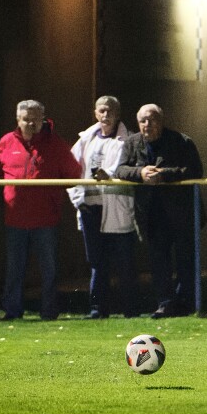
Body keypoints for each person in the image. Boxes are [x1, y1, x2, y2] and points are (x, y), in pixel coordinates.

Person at [0, 100, 82, 321]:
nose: (31, 123)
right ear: (17, 120)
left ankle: (49, 312)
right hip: (15, 219)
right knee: (14, 269)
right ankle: (12, 311)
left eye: (35, 119)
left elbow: (73, 174)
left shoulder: (56, 144)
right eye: (26, 119)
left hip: (45, 219)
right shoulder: (6, 142)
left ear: (43, 119)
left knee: (48, 269)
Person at [116, 104, 204, 319]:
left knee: (185, 259)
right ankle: (165, 303)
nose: (148, 125)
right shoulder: (132, 143)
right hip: (151, 214)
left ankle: (186, 303)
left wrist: (164, 174)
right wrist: (141, 173)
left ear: (161, 121)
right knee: (159, 261)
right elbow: (120, 169)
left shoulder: (181, 141)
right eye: (143, 121)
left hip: (181, 212)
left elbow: (195, 170)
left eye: (152, 120)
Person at [67, 95, 138, 319]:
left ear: (118, 114)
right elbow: (70, 171)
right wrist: (79, 200)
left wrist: (111, 176)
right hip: (90, 208)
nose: (105, 115)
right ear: (95, 113)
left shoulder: (128, 140)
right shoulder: (86, 139)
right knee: (97, 261)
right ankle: (98, 309)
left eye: (110, 111)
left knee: (123, 260)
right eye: (101, 111)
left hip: (116, 207)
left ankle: (130, 309)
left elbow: (130, 170)